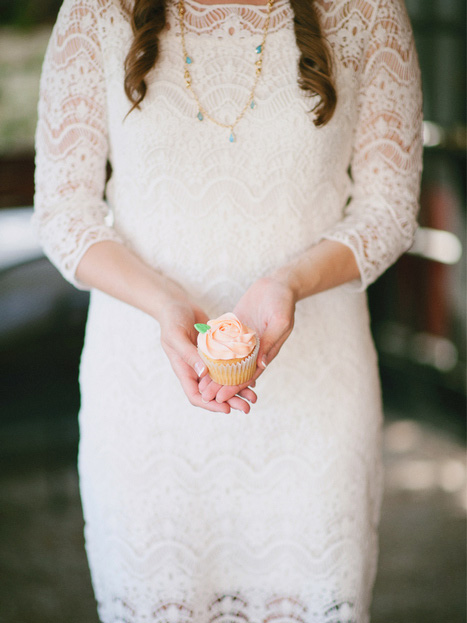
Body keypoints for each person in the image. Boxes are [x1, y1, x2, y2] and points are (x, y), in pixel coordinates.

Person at [34, 0, 422, 620]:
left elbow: (390, 210)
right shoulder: (96, 11)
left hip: (314, 409)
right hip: (143, 400)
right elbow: (63, 212)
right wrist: (163, 303)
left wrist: (290, 282)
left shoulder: (367, 11)